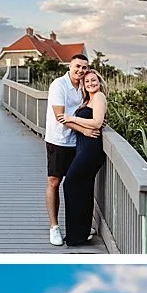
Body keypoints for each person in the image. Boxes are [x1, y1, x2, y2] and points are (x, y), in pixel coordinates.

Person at [44, 53, 89, 247]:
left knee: (76, 184)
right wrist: (87, 129)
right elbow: (59, 116)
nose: (80, 71)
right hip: (59, 140)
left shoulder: (85, 86)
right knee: (55, 182)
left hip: (77, 141)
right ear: (70, 66)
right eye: (77, 66)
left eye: (84, 68)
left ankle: (78, 225)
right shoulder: (58, 85)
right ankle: (54, 227)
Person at [60, 68, 108, 247]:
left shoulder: (99, 97)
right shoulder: (87, 99)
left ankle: (77, 233)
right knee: (84, 189)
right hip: (82, 148)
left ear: (99, 81)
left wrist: (70, 118)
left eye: (93, 80)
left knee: (70, 184)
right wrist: (72, 120)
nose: (91, 83)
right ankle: (81, 232)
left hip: (91, 150)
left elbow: (96, 122)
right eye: (87, 81)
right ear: (83, 84)